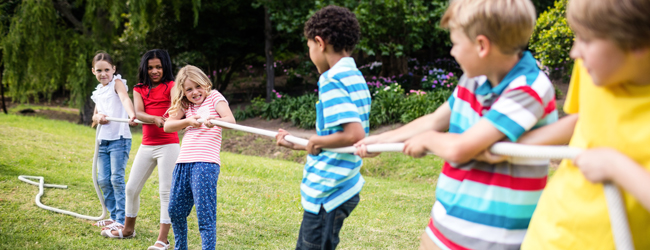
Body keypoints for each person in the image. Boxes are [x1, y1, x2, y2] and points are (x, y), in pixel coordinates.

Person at [355, 0, 558, 249]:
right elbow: (436, 120)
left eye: (455, 44)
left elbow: (462, 147)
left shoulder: (528, 88)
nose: (452, 52)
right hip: (445, 224)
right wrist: (383, 139)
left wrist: (428, 140)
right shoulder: (472, 80)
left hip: (494, 239)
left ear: (482, 45)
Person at [518, 0, 650, 248]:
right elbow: (583, 120)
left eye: (586, 39)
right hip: (547, 235)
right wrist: (507, 144)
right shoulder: (593, 69)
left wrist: (615, 165)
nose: (574, 53)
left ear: (638, 43)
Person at [274, 6, 371, 250]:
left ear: (320, 42)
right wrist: (297, 142)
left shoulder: (331, 79)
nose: (310, 54)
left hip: (329, 191)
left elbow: (353, 135)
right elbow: (333, 138)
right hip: (343, 184)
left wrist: (315, 142)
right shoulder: (354, 76)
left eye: (308, 47)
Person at [100, 49, 178, 250]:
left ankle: (163, 239)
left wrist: (173, 119)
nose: (154, 71)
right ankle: (128, 229)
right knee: (131, 188)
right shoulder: (139, 88)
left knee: (165, 192)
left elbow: (178, 109)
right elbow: (139, 112)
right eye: (150, 67)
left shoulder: (172, 86)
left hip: (169, 145)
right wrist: (154, 119)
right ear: (145, 68)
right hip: (147, 145)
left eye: (158, 67)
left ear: (165, 67)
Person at [163, 65, 235, 250]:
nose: (195, 92)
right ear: (183, 91)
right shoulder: (187, 105)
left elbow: (230, 120)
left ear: (205, 83)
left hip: (205, 163)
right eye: (189, 89)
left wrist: (215, 120)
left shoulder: (214, 97)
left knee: (205, 214)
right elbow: (168, 126)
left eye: (197, 86)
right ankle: (181, 247)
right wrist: (187, 121)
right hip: (183, 162)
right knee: (175, 210)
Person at [89, 52, 137, 231]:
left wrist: (132, 115)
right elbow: (94, 118)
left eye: (107, 70)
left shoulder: (117, 84)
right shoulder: (98, 92)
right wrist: (98, 117)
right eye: (99, 70)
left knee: (116, 179)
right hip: (103, 141)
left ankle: (122, 219)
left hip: (119, 139)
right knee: (103, 180)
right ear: (93, 71)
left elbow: (125, 98)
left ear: (113, 69)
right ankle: (113, 215)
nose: (103, 74)